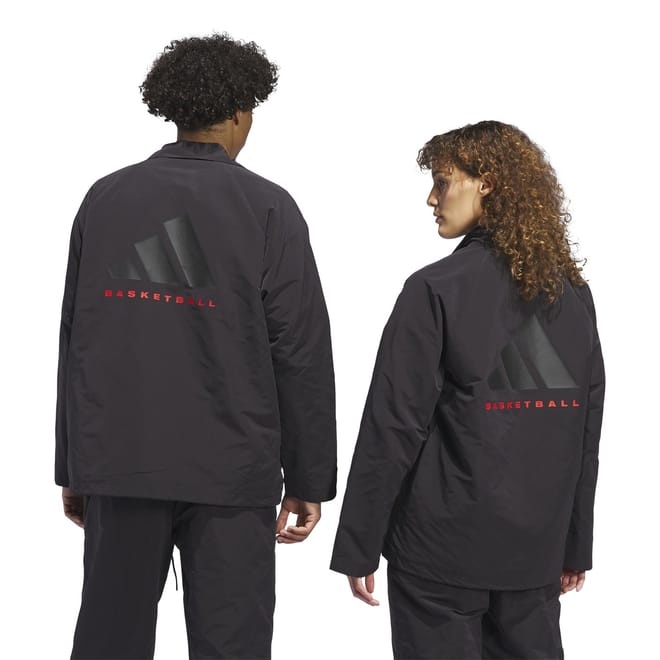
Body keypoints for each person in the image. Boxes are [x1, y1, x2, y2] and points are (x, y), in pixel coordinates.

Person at [55, 32, 337, 660]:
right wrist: (309, 477)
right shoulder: (269, 208)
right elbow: (300, 352)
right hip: (232, 476)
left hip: (121, 463)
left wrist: (74, 464)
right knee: (232, 647)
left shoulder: (106, 198)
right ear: (239, 112)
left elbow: (76, 339)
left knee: (108, 642)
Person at [330, 120, 605, 659]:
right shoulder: (573, 296)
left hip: (440, 559)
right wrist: (576, 543)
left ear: (488, 183)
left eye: (442, 182)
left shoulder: (434, 289)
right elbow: (584, 432)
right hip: (533, 554)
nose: (431, 199)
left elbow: (393, 425)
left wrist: (359, 543)